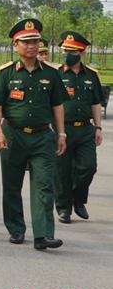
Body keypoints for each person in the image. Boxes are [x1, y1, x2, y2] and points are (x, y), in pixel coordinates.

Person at [0, 18, 67, 250]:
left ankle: (43, 235)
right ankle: (16, 228)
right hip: (13, 135)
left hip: (43, 137)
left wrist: (61, 134)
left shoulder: (51, 74)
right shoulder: (5, 73)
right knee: (12, 185)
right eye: (27, 42)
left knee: (44, 185)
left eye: (36, 41)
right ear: (15, 44)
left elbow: (58, 106)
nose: (32, 46)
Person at [54, 30, 103, 224]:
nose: (67, 54)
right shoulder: (56, 74)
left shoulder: (91, 75)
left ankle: (78, 199)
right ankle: (64, 208)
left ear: (82, 53)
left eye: (72, 51)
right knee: (62, 170)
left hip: (85, 129)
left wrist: (98, 127)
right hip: (62, 129)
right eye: (65, 50)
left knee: (88, 166)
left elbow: (96, 102)